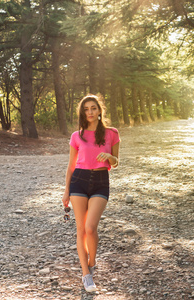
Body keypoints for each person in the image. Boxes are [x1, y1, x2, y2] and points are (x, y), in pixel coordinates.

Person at [62, 94, 120, 293]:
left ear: (99, 110)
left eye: (93, 108)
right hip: (79, 180)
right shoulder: (76, 135)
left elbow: (116, 162)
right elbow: (70, 166)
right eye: (86, 109)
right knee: (80, 229)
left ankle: (92, 262)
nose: (90, 112)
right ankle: (86, 275)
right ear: (82, 112)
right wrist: (66, 191)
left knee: (91, 227)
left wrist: (110, 156)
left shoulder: (112, 133)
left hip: (101, 182)